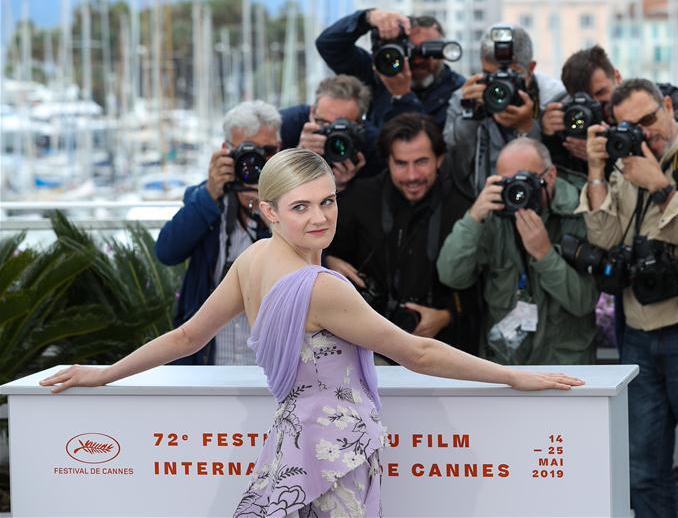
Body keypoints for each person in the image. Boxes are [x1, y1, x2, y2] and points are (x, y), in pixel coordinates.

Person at [41, 148, 584, 517]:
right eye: (300, 207)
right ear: (269, 211)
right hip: (337, 453)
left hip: (291, 442)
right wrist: (512, 377)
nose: (320, 218)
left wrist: (107, 373)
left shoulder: (253, 260)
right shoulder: (320, 287)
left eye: (327, 201)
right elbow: (416, 352)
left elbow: (187, 338)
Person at [581, 78, 678, 517]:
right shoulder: (624, 165)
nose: (645, 133)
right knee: (643, 473)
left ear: (668, 105)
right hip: (639, 332)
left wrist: (661, 186)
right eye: (632, 127)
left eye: (649, 118)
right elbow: (604, 238)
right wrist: (597, 171)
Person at [325, 113, 481, 354]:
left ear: (440, 159)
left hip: (445, 350)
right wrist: (328, 262)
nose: (412, 175)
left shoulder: (462, 209)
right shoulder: (360, 198)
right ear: (387, 161)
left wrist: (447, 316)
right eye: (401, 163)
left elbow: (482, 286)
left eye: (421, 162)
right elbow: (313, 255)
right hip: (369, 347)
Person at [437, 138, 599, 365]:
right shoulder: (494, 213)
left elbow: (583, 302)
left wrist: (544, 254)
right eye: (508, 181)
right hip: (506, 363)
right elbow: (451, 275)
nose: (518, 191)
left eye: (525, 179)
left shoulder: (580, 209)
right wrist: (473, 217)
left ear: (550, 175)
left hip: (565, 363)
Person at [155, 100, 280, 365]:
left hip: (268, 362)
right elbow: (167, 251)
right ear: (226, 151)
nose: (256, 162)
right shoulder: (206, 198)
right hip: (208, 360)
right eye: (248, 151)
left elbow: (303, 273)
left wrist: (270, 212)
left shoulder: (291, 204)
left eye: (268, 151)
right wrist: (210, 194)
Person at [442, 23, 567, 199]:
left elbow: (560, 173)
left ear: (531, 68)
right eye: (490, 75)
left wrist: (528, 128)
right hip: (478, 201)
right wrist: (469, 115)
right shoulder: (466, 97)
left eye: (511, 75)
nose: (499, 85)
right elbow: (455, 169)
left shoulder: (553, 99)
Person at [543, 45, 678, 174]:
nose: (597, 104)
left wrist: (612, 155)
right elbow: (560, 178)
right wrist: (548, 135)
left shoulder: (659, 99)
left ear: (617, 77)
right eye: (588, 101)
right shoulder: (575, 121)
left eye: (602, 92)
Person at [315, 8, 465, 133]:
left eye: (430, 51)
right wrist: (367, 18)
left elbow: (424, 146)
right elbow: (328, 45)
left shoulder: (458, 91)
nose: (418, 60)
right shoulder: (379, 74)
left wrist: (402, 96)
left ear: (443, 52)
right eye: (411, 51)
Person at [279, 75, 375, 189]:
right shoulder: (286, 125)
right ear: (312, 112)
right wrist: (298, 157)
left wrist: (344, 188)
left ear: (359, 125)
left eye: (342, 126)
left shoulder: (372, 144)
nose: (333, 134)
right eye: (324, 123)